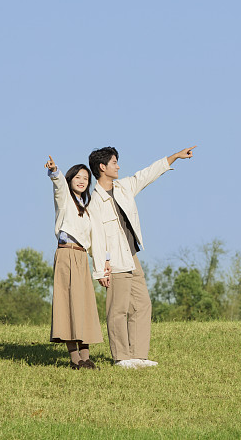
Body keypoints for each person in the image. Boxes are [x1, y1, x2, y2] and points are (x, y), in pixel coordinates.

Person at [87, 145, 196, 369]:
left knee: (142, 304)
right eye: (115, 162)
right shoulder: (95, 202)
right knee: (118, 309)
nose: (118, 166)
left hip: (131, 256)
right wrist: (100, 269)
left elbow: (146, 174)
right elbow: (95, 239)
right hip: (113, 261)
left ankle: (138, 355)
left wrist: (174, 157)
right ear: (102, 167)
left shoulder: (124, 187)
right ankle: (121, 357)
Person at [45, 155, 107, 370]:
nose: (82, 181)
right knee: (68, 305)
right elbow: (59, 186)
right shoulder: (65, 199)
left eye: (86, 178)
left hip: (81, 257)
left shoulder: (88, 208)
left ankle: (86, 357)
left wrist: (101, 267)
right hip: (66, 254)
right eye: (78, 177)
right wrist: (55, 171)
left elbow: (94, 240)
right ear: (70, 179)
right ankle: (75, 359)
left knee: (84, 305)